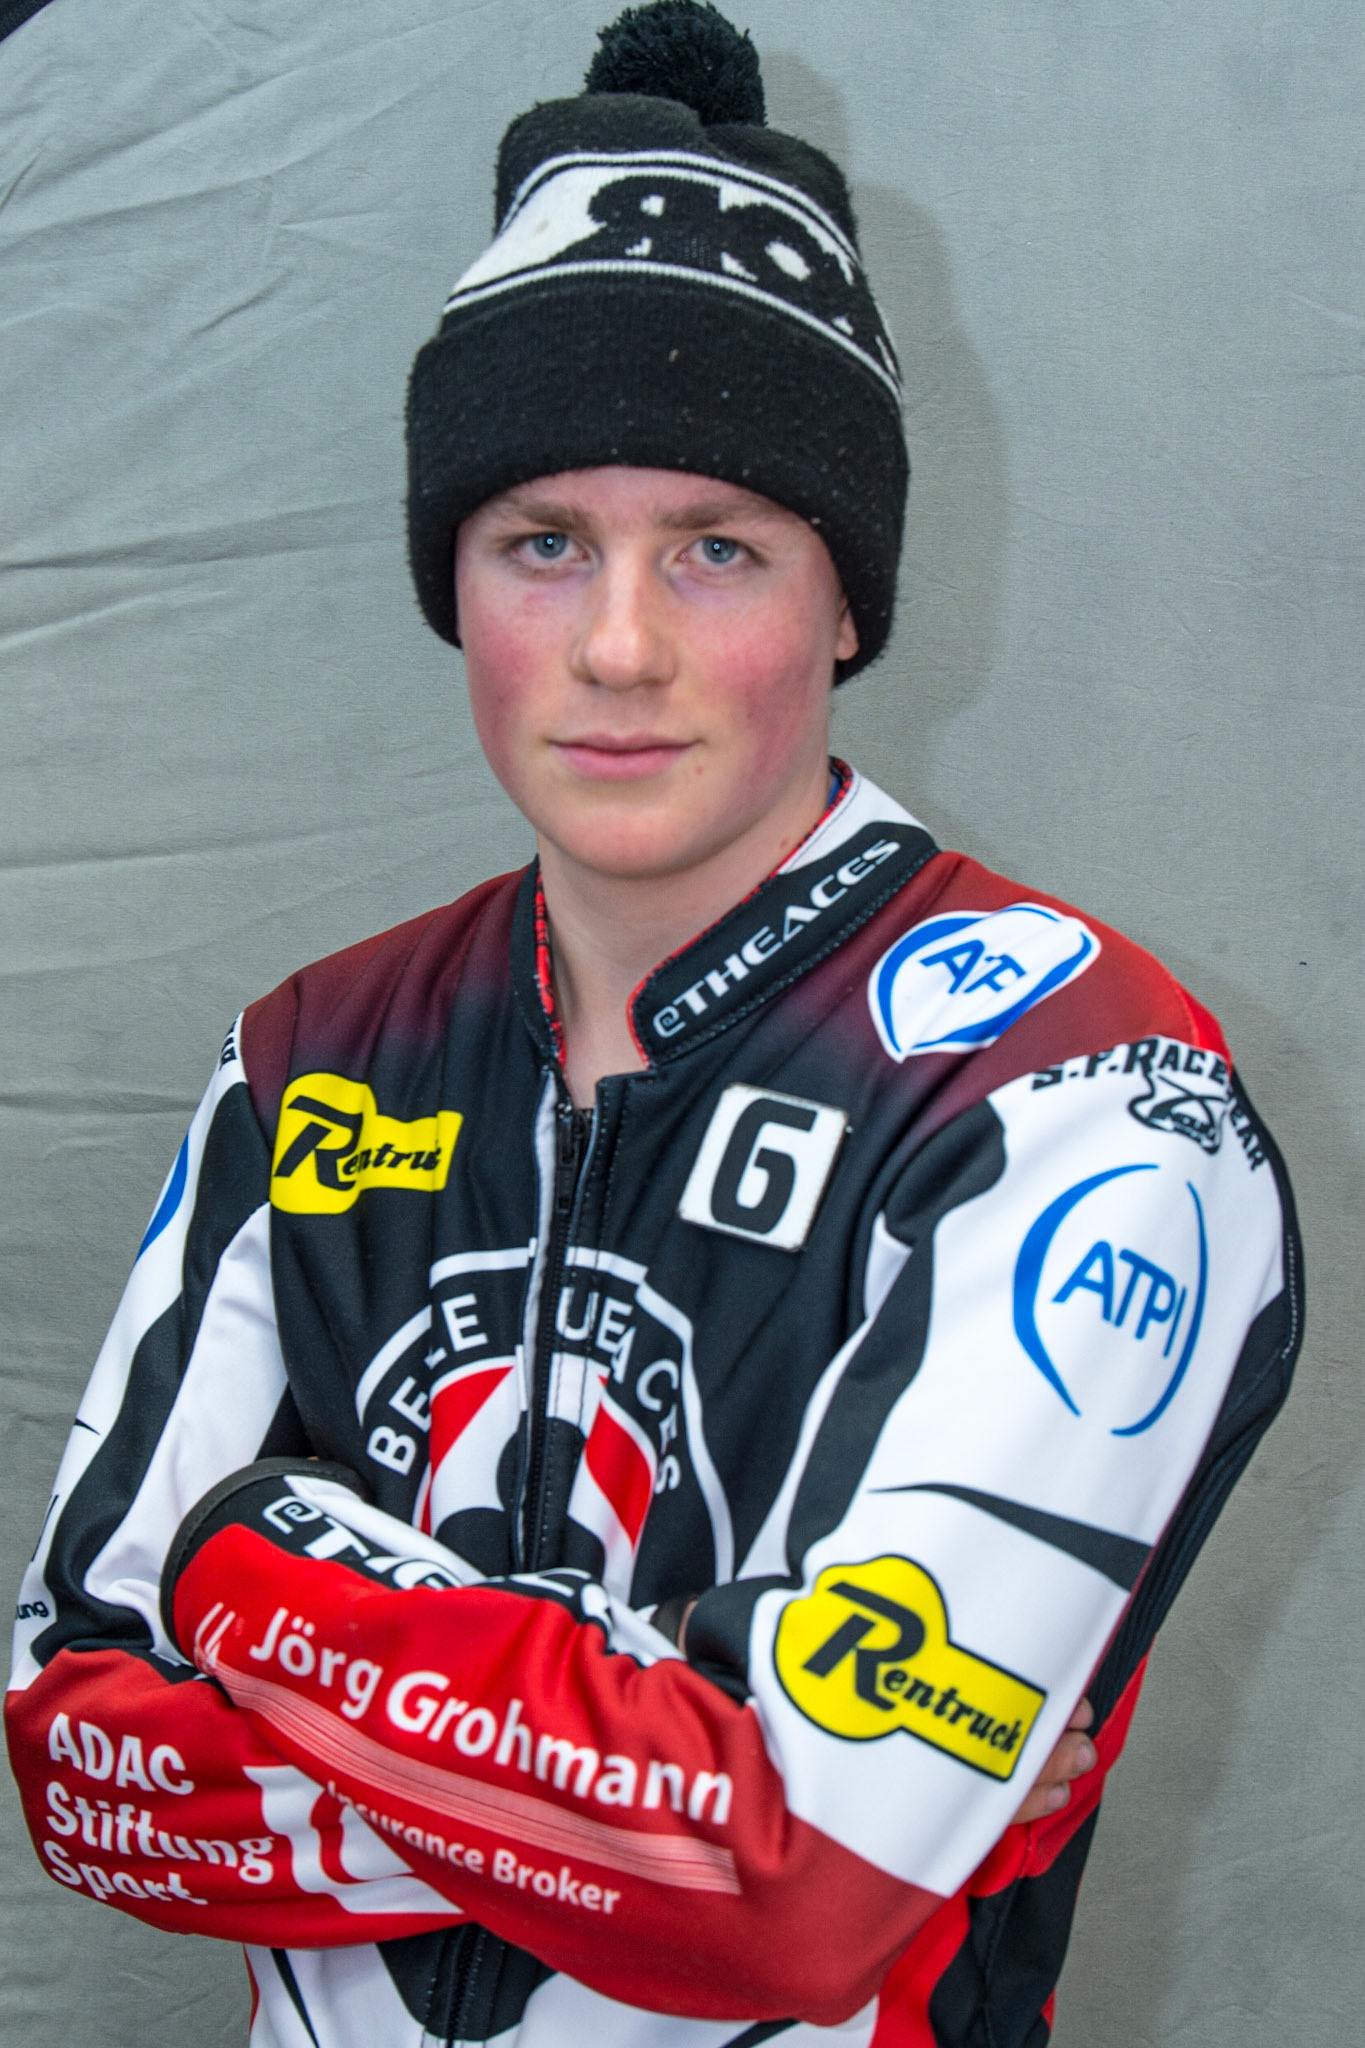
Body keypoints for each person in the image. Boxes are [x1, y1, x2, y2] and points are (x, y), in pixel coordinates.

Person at [5, 4, 1302, 2044]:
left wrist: (254, 1565)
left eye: (716, 548)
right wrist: (667, 1758)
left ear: (845, 599)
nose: (619, 646)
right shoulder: (311, 1057)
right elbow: (75, 1751)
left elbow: (799, 1892)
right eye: (544, 543)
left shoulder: (1076, 1097)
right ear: (455, 580)